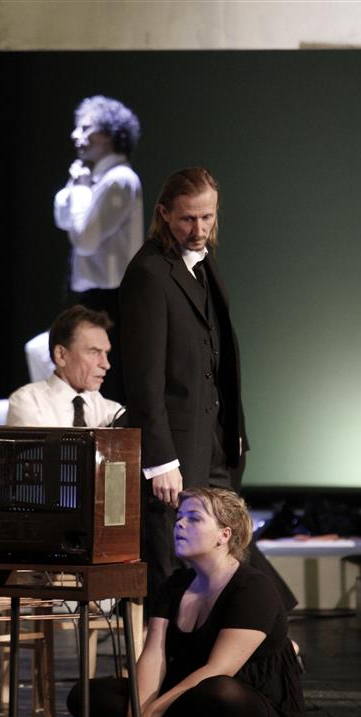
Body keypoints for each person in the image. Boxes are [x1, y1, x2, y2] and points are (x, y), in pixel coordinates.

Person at [119, 167, 297, 614]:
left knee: (231, 551)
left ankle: (263, 636)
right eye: (187, 219)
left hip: (217, 443)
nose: (199, 229)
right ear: (164, 214)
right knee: (176, 563)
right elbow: (143, 378)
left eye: (207, 217)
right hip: (177, 455)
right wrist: (161, 460)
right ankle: (173, 653)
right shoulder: (148, 273)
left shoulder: (205, 264)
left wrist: (233, 434)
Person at [53, 487, 306, 717]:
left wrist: (154, 711)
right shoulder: (175, 584)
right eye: (179, 517)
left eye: (194, 518)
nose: (180, 525)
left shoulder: (253, 588)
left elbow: (219, 669)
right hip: (184, 699)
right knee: (85, 695)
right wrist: (139, 712)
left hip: (249, 710)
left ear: (224, 535)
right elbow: (153, 657)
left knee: (219, 692)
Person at [54, 95, 143, 402]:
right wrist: (77, 184)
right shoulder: (96, 178)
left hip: (110, 299)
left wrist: (81, 188)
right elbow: (63, 219)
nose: (75, 135)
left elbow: (85, 238)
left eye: (85, 128)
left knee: (104, 382)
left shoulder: (119, 180)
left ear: (108, 134)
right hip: (94, 298)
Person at [6, 305, 122, 427]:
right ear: (61, 355)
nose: (106, 365)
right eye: (93, 352)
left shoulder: (112, 412)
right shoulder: (29, 402)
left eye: (106, 353)